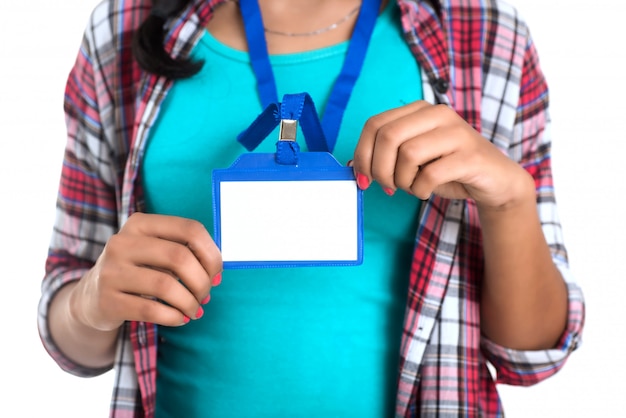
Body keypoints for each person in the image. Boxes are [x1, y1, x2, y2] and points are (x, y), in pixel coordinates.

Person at [37, 0, 585, 416]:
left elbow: (532, 354)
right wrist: (91, 302)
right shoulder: (123, 28)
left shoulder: (487, 34)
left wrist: (510, 200)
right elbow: (71, 337)